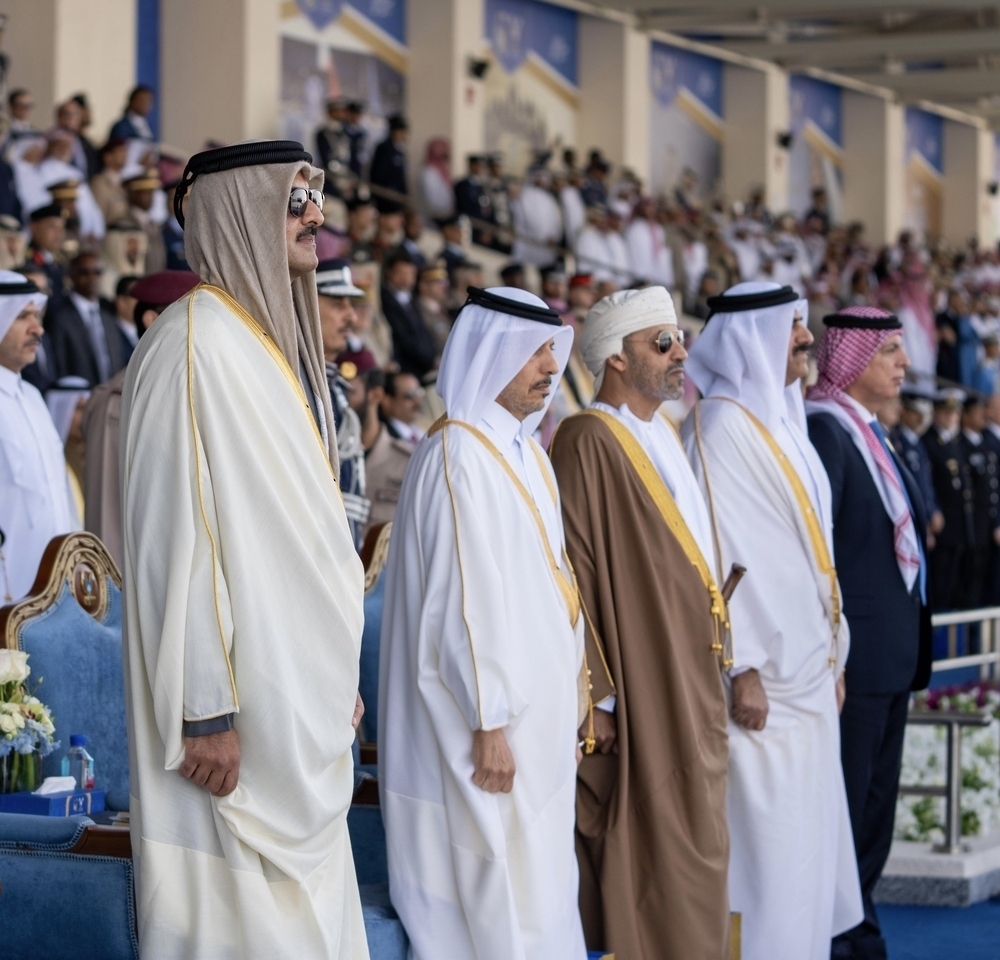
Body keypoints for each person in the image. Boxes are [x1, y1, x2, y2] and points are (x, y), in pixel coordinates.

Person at [118, 141, 368, 958]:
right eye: (297, 201)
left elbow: (300, 544)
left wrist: (336, 689)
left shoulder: (265, 349)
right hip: (231, 734)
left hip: (301, 709)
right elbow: (171, 541)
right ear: (241, 212)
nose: (317, 218)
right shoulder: (190, 345)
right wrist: (204, 709)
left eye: (316, 199)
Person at [379, 285, 586, 960]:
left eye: (551, 353)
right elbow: (461, 605)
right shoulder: (458, 453)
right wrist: (489, 719)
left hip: (536, 723)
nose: (547, 368)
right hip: (483, 727)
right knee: (488, 901)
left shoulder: (525, 452)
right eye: (532, 354)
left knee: (537, 892)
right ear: (492, 353)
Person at [683, 281, 863, 960]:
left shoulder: (785, 422)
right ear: (755, 337)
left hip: (810, 677)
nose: (806, 339)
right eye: (791, 327)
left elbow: (812, 552)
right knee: (769, 866)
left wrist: (833, 657)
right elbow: (722, 556)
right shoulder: (720, 429)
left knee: (806, 859)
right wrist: (745, 666)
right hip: (761, 689)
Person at [550, 287, 731, 959]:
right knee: (657, 837)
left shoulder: (665, 432)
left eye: (680, 338)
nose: (681, 352)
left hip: (688, 670)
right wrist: (596, 695)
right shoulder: (587, 438)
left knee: (700, 833)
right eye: (663, 342)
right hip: (639, 676)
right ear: (617, 359)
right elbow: (579, 572)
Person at [805, 305, 932, 960]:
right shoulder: (828, 431)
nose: (903, 364)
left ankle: (859, 924)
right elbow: (819, 554)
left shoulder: (870, 432)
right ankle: (849, 935)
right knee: (851, 809)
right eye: (888, 352)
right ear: (852, 362)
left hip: (890, 659)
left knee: (876, 811)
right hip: (855, 664)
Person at [81, 270, 199, 569]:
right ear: (151, 320)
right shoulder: (117, 400)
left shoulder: (199, 383)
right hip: (144, 579)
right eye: (193, 312)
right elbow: (107, 513)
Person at [0, 271, 79, 601]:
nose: (38, 329)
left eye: (37, 316)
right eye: (22, 317)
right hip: (9, 593)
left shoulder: (33, 397)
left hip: (56, 593)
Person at [316, 258, 371, 550]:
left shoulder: (333, 385)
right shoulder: (298, 383)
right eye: (339, 304)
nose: (352, 317)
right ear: (306, 304)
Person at [923, 389, 972, 611]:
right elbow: (928, 485)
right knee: (939, 590)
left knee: (954, 589)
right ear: (936, 412)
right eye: (947, 412)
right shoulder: (929, 442)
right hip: (942, 530)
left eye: (955, 413)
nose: (951, 417)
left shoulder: (953, 443)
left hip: (958, 530)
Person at [47, 251, 124, 384]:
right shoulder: (59, 317)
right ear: (71, 274)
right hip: (78, 399)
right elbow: (59, 366)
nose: (92, 278)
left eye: (97, 272)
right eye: (84, 272)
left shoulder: (108, 318)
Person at [956, 394, 1000, 609]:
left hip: (987, 526)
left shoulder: (985, 444)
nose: (982, 415)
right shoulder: (961, 445)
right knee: (967, 585)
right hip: (971, 528)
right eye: (978, 410)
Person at [362, 368, 414, 534]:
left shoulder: (408, 461)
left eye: (349, 390)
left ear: (375, 396)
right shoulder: (324, 453)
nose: (338, 399)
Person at [890, 387, 943, 541]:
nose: (921, 419)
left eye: (924, 415)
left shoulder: (919, 442)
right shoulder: (897, 440)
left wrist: (933, 510)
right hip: (909, 518)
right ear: (904, 411)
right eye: (916, 413)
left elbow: (926, 482)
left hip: (924, 516)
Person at [381, 247, 436, 378]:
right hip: (405, 369)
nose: (406, 279)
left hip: (424, 365)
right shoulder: (384, 299)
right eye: (401, 273)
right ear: (389, 272)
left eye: (410, 274)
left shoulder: (412, 300)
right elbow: (403, 339)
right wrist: (429, 360)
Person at [26, 203, 67, 307]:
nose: (59, 233)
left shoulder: (60, 261)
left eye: (62, 227)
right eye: (52, 226)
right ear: (33, 227)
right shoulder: (26, 260)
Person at [369, 114, 408, 214]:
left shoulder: (399, 150)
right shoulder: (384, 149)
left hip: (398, 198)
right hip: (386, 198)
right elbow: (379, 174)